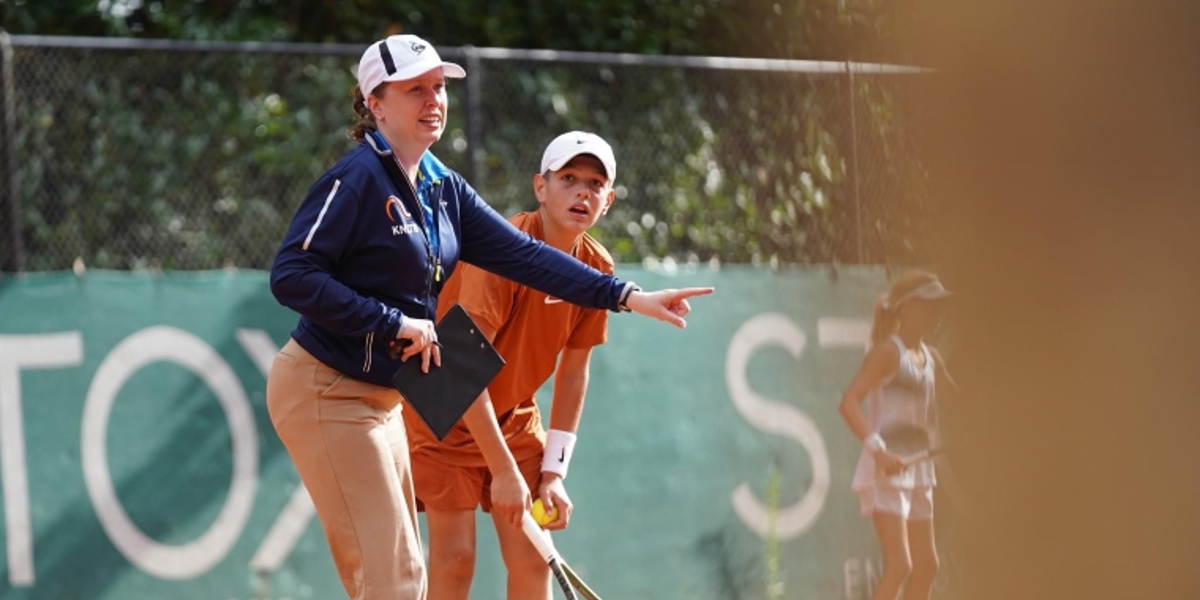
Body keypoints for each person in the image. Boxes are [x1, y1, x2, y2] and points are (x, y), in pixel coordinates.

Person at [264, 34, 712, 600]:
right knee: (398, 583)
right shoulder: (356, 179)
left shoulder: (441, 188)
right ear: (374, 103)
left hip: (384, 399)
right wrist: (392, 322)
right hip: (327, 390)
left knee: (402, 582)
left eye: (439, 88)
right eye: (415, 90)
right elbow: (291, 275)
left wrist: (628, 295)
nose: (434, 101)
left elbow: (529, 259)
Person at [406, 131, 621, 599]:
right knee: (455, 558)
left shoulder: (597, 271)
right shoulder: (502, 253)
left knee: (532, 558)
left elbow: (573, 372)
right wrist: (502, 470)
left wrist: (554, 472)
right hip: (442, 410)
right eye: (568, 178)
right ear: (540, 187)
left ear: (609, 200)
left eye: (594, 183)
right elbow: (459, 365)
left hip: (514, 417)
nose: (582, 191)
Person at [837, 271, 959, 600]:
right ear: (905, 309)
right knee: (900, 565)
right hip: (886, 470)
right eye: (928, 305)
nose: (936, 313)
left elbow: (960, 405)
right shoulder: (887, 353)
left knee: (928, 566)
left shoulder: (933, 358)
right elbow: (848, 403)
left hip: (919, 471)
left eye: (939, 306)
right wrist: (880, 452)